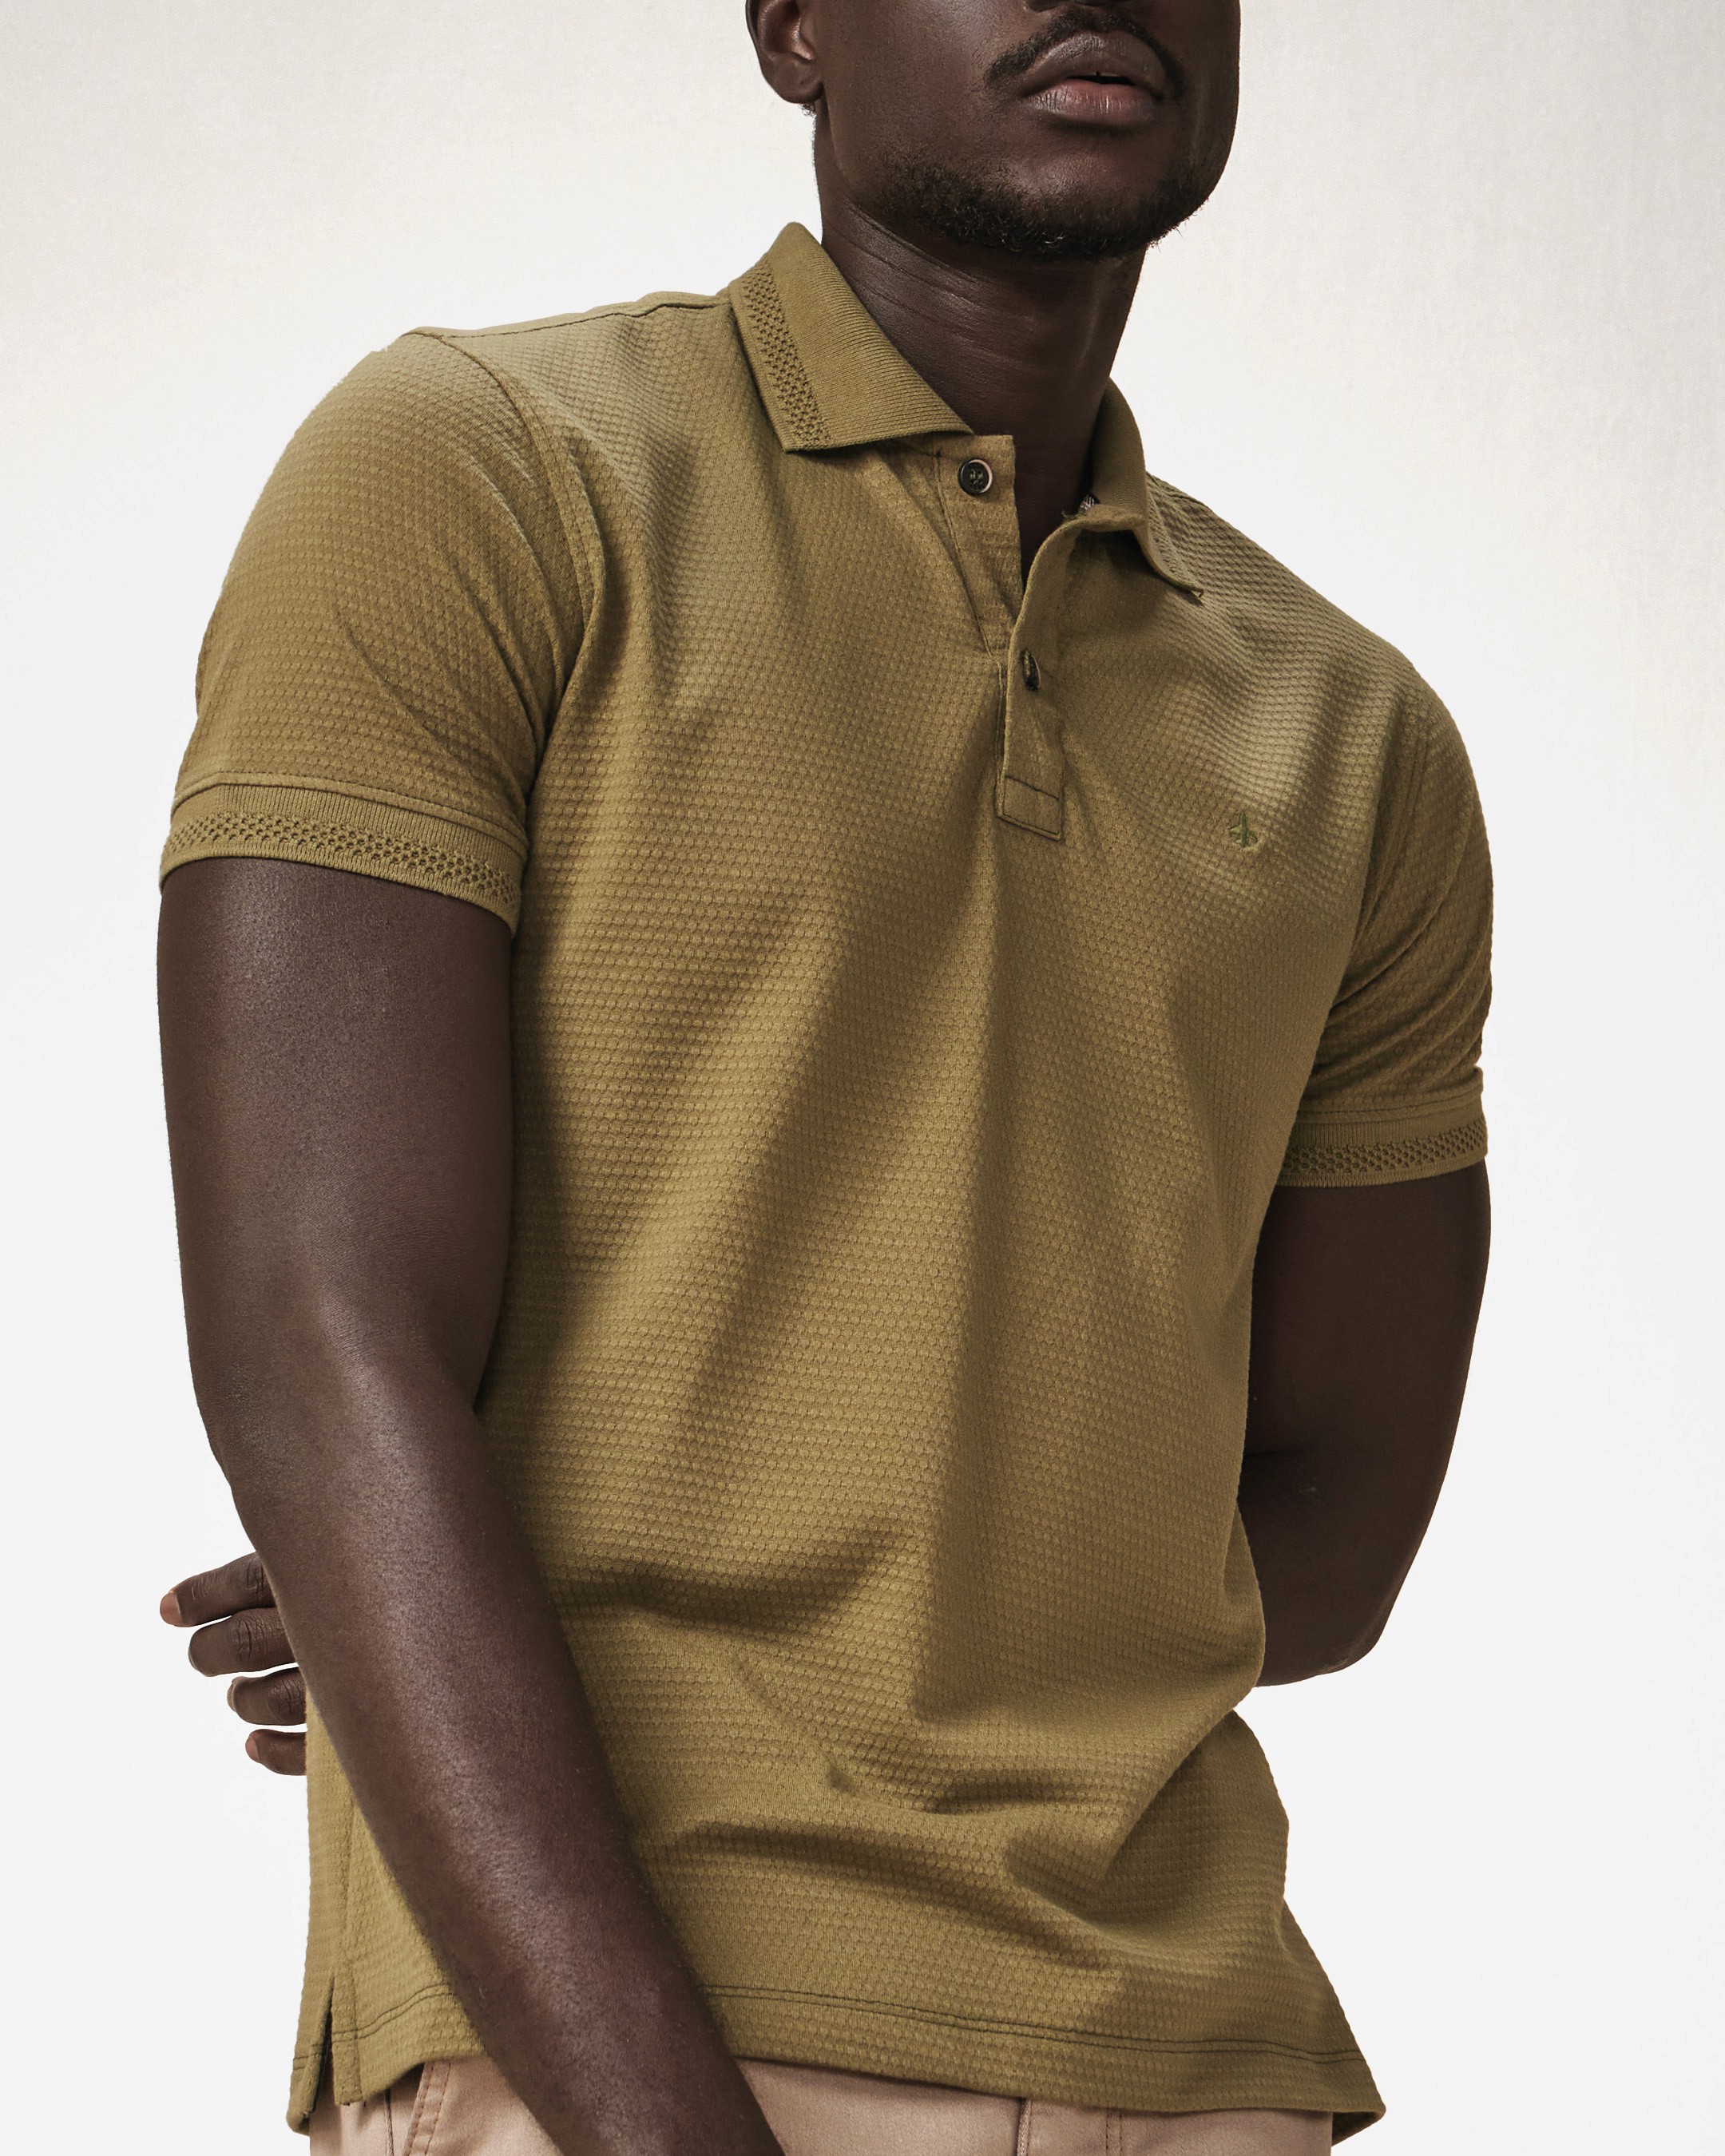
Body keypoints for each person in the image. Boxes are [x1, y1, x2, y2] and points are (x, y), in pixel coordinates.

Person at [156, 2, 1492, 2150]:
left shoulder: (1361, 741)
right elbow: (323, 1356)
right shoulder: (477, 471)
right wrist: (430, 1603)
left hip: (1195, 2064)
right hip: (614, 2042)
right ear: (792, 23)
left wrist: (490, 1602)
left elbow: (1328, 1535)